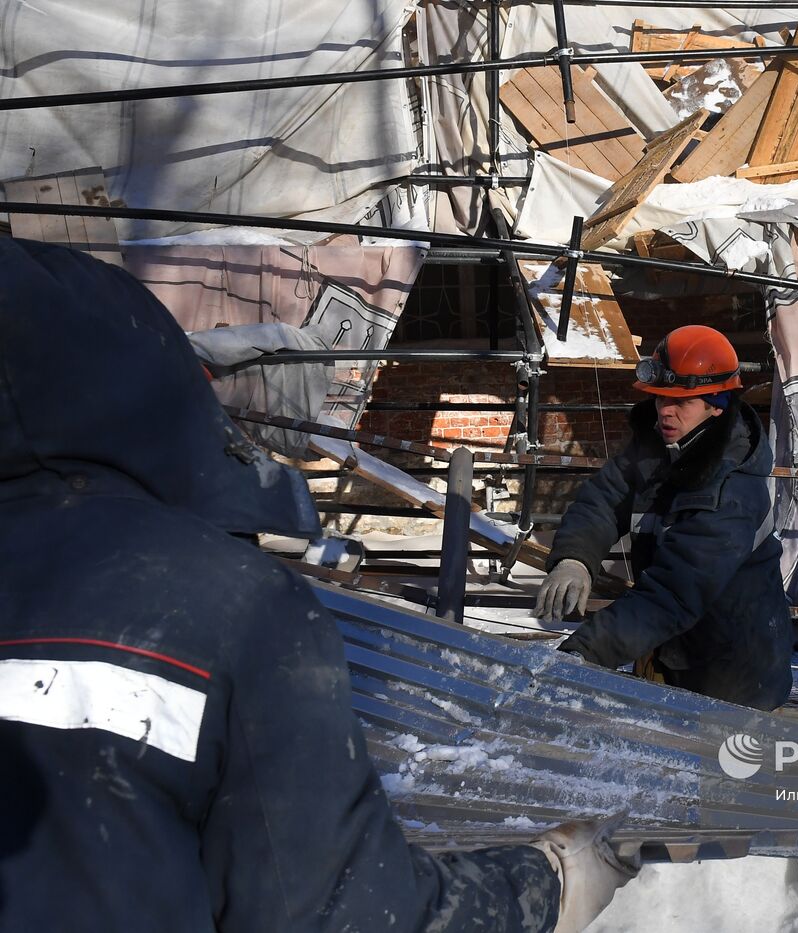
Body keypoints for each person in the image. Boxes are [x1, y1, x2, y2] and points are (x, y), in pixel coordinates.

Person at [0, 239, 635, 932]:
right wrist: (547, 886)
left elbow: (681, 559)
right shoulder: (233, 610)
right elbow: (342, 913)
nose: (666, 412)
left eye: (678, 402)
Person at [534, 325, 793, 710]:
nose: (663, 412)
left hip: (732, 681)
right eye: (658, 399)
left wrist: (582, 653)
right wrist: (575, 558)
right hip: (673, 653)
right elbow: (604, 500)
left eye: (680, 402)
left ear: (716, 403)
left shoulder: (731, 491)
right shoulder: (661, 445)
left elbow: (672, 594)